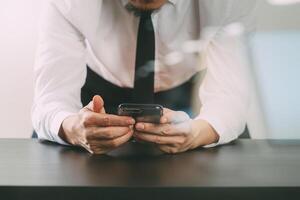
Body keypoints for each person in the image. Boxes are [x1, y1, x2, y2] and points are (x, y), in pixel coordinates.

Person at [32, 0, 256, 154]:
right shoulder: (68, 3)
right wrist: (72, 128)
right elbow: (51, 100)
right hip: (96, 98)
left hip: (181, 99)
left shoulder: (231, 3)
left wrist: (198, 132)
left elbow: (230, 96)